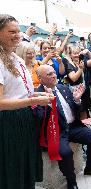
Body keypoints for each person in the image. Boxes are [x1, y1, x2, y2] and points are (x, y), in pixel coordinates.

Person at [0, 14, 53, 189]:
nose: (17, 35)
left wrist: (36, 97)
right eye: (11, 31)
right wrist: (30, 102)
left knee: (25, 169)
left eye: (19, 31)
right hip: (8, 122)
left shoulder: (18, 59)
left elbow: (21, 93)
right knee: (13, 172)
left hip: (25, 119)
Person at [36, 65, 91, 189]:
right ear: (40, 78)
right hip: (56, 131)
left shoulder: (63, 88)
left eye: (53, 72)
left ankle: (90, 168)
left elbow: (77, 109)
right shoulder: (38, 94)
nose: (53, 75)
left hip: (73, 126)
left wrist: (77, 101)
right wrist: (48, 102)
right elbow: (39, 118)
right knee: (65, 152)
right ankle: (71, 180)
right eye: (49, 74)